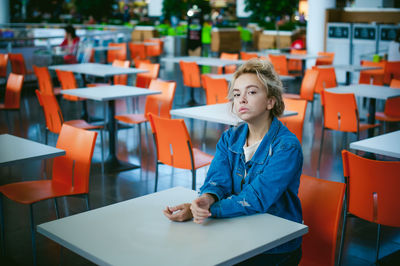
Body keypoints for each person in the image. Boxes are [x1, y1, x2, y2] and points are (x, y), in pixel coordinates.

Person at [163, 58, 303, 265]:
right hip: (240, 230)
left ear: (270, 101)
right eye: (237, 94)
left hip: (275, 247)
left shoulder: (286, 147)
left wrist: (209, 211)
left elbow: (256, 198)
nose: (242, 100)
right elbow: (217, 181)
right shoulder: (230, 138)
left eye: (252, 92)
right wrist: (205, 200)